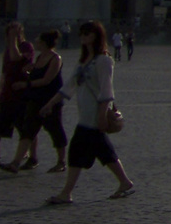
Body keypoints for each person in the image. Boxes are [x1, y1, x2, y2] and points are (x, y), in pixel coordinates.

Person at [46, 21, 136, 204]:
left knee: (77, 151)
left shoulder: (104, 60)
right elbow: (69, 85)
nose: (83, 37)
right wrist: (51, 103)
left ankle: (66, 193)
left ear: (96, 36)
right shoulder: (83, 61)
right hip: (86, 114)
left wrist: (102, 115)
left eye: (87, 34)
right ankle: (125, 182)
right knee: (104, 151)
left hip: (94, 116)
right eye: (81, 34)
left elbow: (106, 90)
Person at [0, 30, 66, 174]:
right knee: (28, 130)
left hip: (50, 101)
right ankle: (16, 163)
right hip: (35, 100)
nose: (35, 41)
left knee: (55, 130)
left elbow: (47, 80)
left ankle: (61, 161)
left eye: (38, 39)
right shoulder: (40, 57)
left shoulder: (55, 58)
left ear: (44, 42)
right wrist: (30, 70)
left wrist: (25, 84)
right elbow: (37, 75)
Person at [0, 22, 35, 166]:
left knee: (27, 129)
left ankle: (32, 157)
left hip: (22, 95)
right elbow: (4, 74)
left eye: (15, 34)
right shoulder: (7, 50)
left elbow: (16, 58)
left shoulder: (27, 47)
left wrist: (13, 39)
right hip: (7, 94)